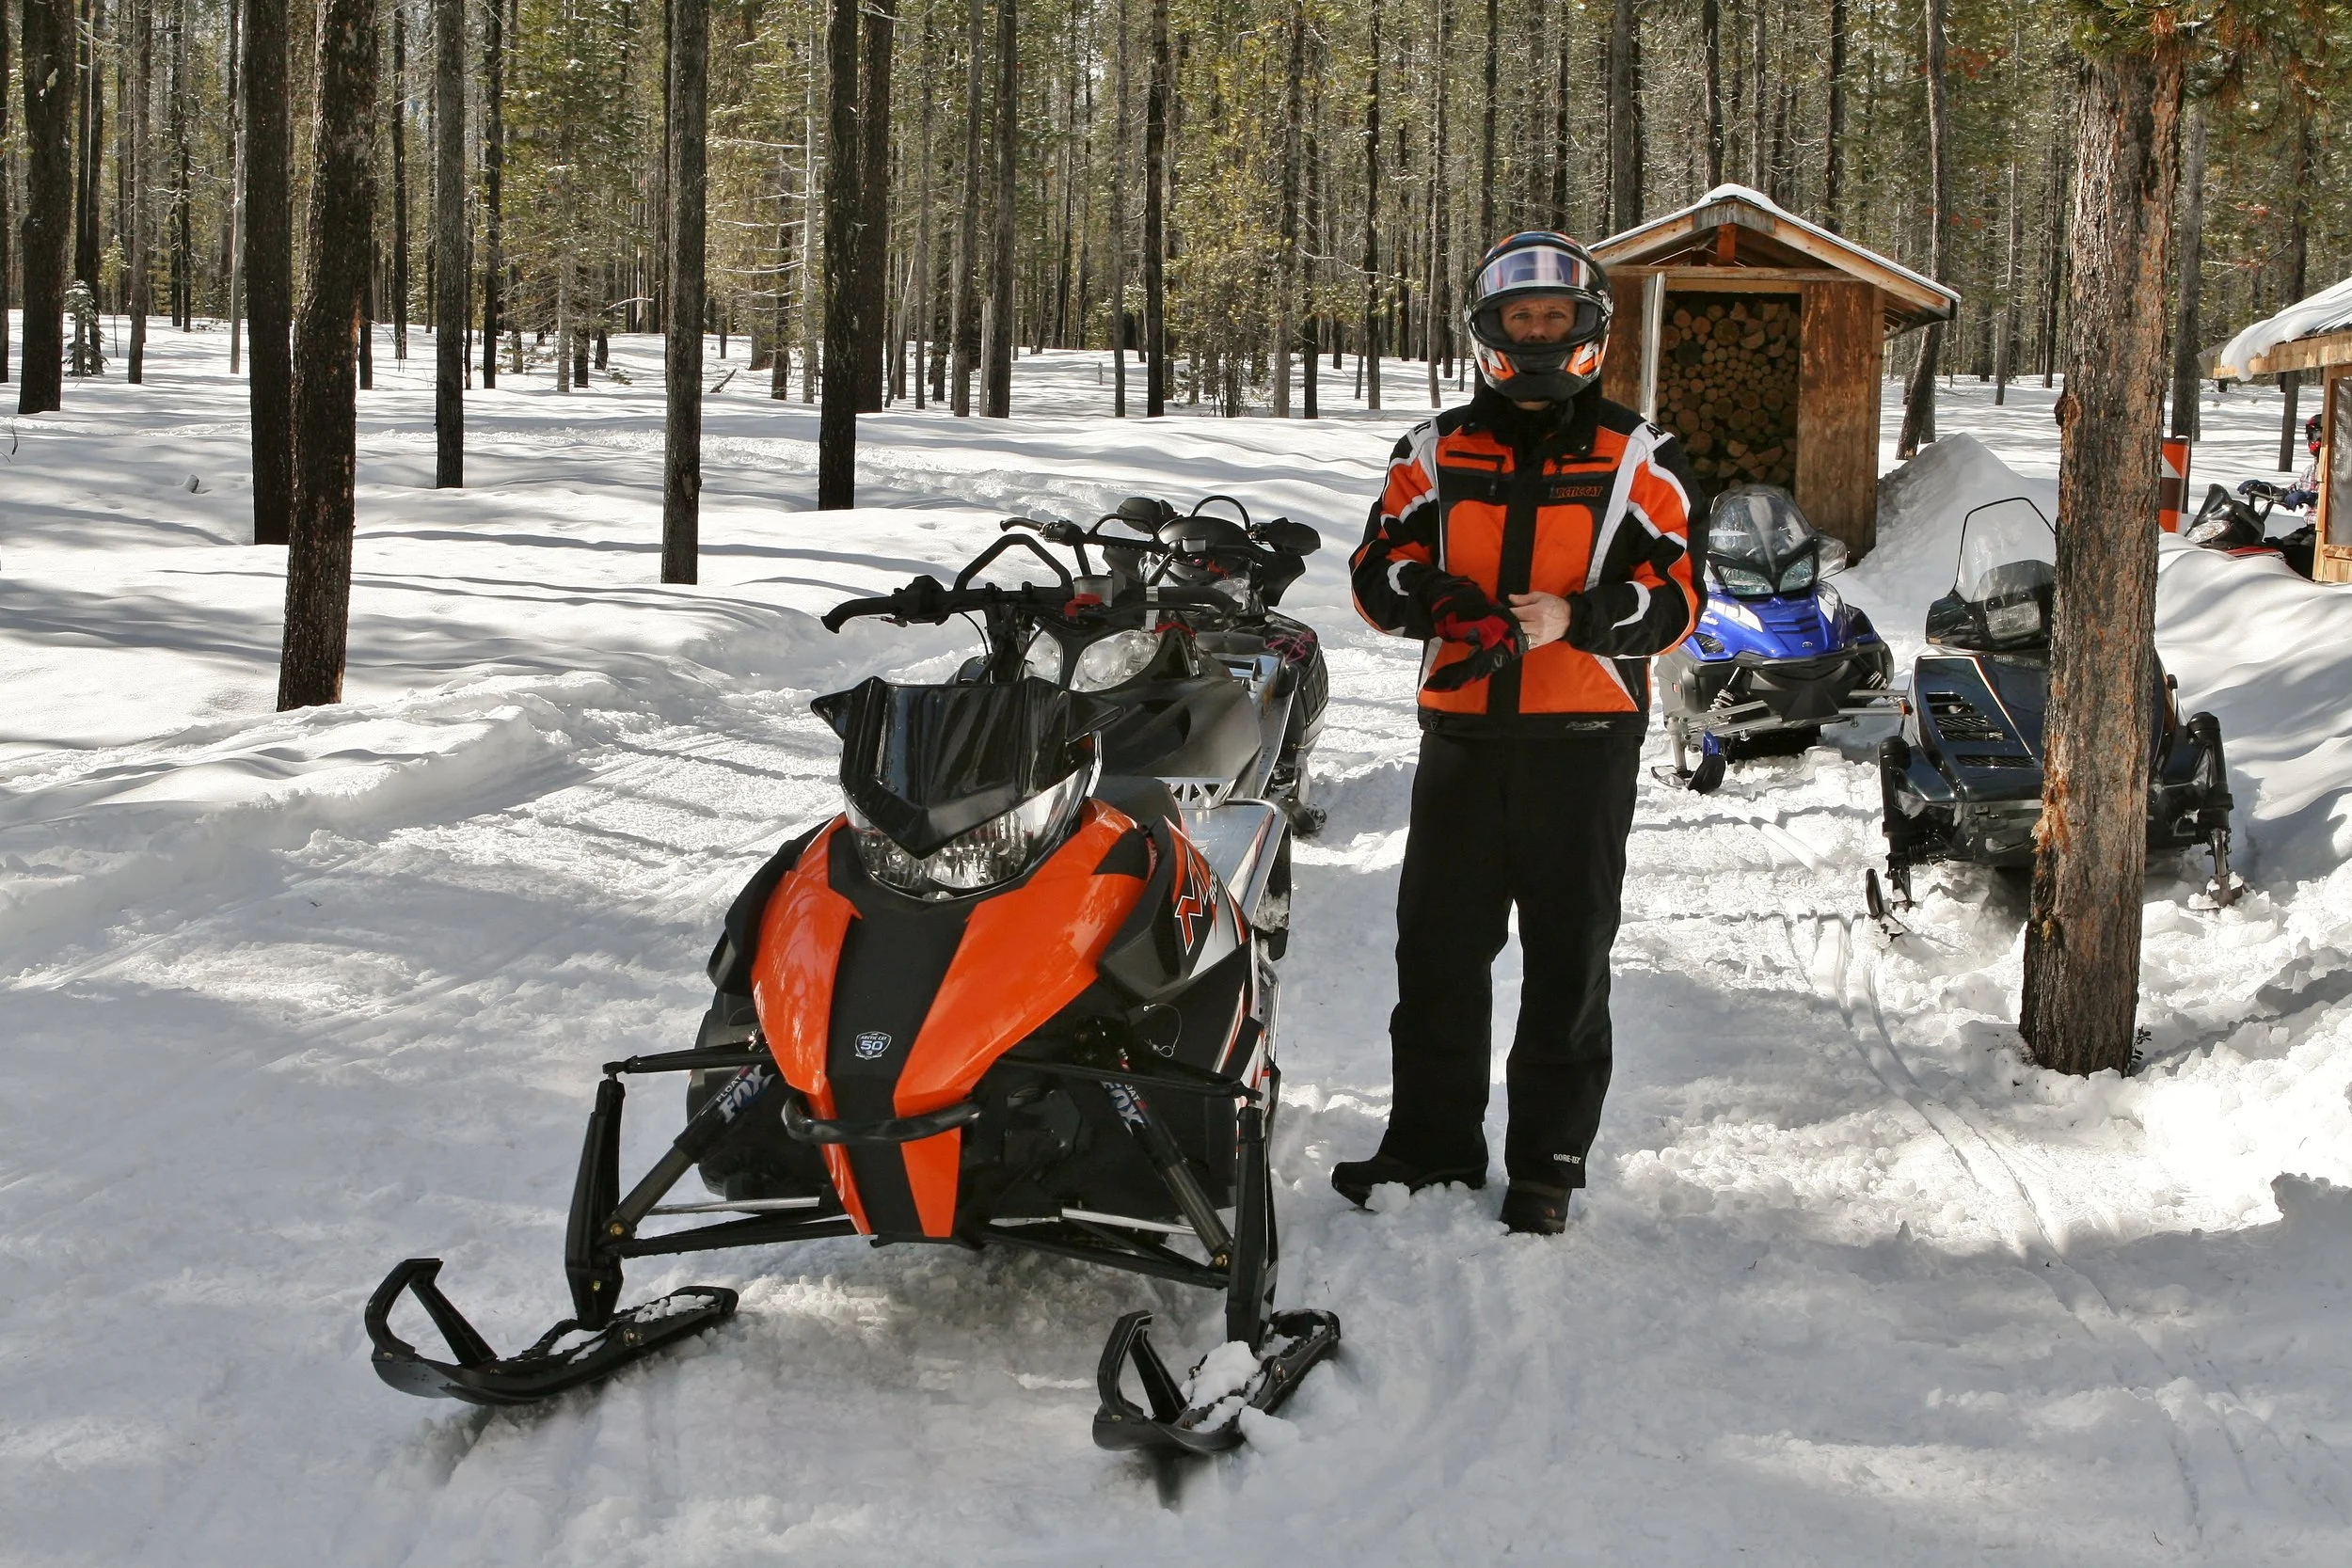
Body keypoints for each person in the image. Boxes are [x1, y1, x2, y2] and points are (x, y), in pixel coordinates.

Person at [1335, 232, 1706, 1236]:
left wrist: (1578, 618)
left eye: (1554, 317)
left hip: (1585, 739)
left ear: (1587, 329)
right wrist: (1442, 599)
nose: (1537, 333)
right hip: (1461, 737)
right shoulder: (1433, 449)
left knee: (1567, 960)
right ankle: (1431, 1144)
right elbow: (1375, 570)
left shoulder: (1641, 454)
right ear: (1489, 330)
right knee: (1438, 954)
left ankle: (1547, 1164)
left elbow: (1678, 596)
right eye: (1519, 318)